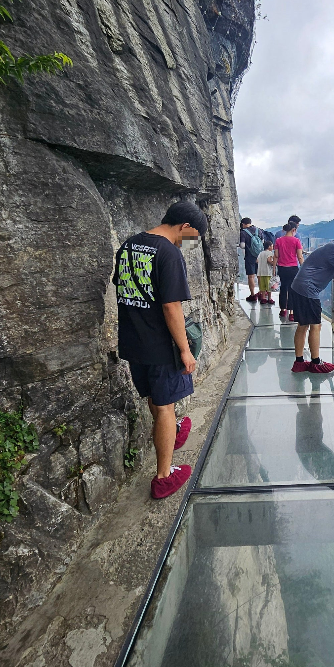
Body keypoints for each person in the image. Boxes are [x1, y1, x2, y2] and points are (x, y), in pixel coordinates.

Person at [112, 200, 207, 499]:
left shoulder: (129, 245)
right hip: (161, 344)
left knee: (156, 398)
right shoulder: (169, 253)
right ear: (186, 227)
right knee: (166, 407)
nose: (191, 244)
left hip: (133, 340)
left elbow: (123, 287)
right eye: (194, 238)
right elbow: (171, 306)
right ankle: (164, 476)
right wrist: (184, 349)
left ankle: (169, 433)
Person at [289, 221, 334, 373]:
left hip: (300, 286)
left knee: (303, 325)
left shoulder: (333, 247)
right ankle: (315, 363)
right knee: (315, 325)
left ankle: (300, 362)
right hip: (308, 289)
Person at [273, 222, 304, 320]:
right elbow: (300, 256)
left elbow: (276, 255)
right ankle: (292, 313)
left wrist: (274, 268)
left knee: (283, 289)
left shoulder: (278, 241)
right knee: (292, 290)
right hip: (293, 268)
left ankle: (283, 310)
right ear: (294, 230)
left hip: (282, 268)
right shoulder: (296, 241)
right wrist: (303, 268)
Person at [239, 218, 264, 301]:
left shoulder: (243, 232)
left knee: (251, 276)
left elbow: (242, 245)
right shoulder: (259, 230)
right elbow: (262, 242)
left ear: (243, 224)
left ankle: (253, 295)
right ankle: (261, 293)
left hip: (250, 257)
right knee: (259, 275)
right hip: (259, 256)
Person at [256, 240, 276, 306]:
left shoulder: (261, 253)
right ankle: (269, 298)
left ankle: (263, 298)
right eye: (272, 246)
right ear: (269, 246)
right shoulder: (270, 253)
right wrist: (274, 263)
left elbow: (257, 261)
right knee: (269, 286)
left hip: (261, 272)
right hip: (267, 272)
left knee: (263, 286)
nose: (273, 247)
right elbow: (269, 260)